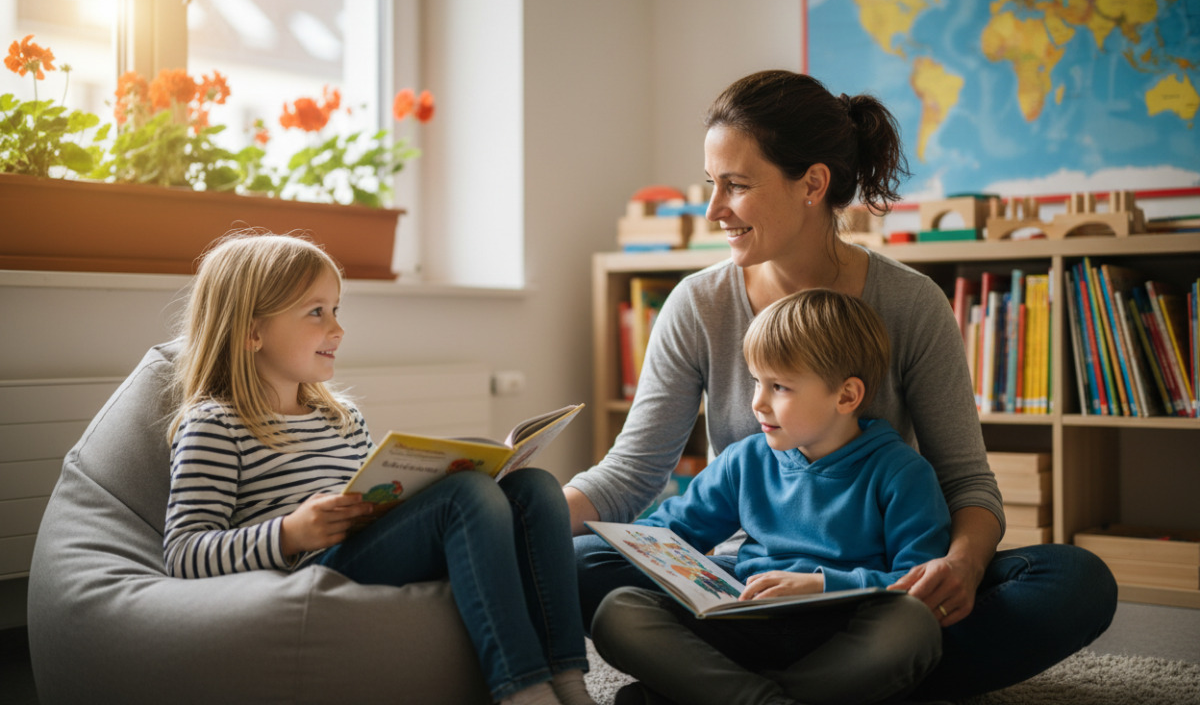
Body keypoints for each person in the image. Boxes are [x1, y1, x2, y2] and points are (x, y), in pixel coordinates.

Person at [566, 70, 1117, 701]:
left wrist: (958, 570)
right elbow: (634, 475)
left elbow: (965, 481)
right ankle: (845, 689)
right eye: (711, 185)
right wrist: (532, 512)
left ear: (813, 184)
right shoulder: (698, 305)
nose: (714, 210)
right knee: (583, 564)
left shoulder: (910, 304)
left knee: (1074, 579)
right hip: (752, 592)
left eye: (737, 186)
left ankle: (718, 689)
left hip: (876, 596)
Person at [164, 231, 595, 705]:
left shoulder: (341, 416)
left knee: (534, 486)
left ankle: (571, 683)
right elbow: (184, 552)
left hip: (369, 547)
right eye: (316, 312)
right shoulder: (215, 424)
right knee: (465, 497)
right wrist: (290, 533)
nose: (337, 329)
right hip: (314, 569)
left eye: (336, 310)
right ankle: (525, 691)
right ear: (252, 331)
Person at [592, 289, 951, 705]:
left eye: (779, 386)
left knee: (913, 625)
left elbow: (918, 583)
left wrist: (820, 585)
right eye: (756, 382)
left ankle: (719, 695)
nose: (758, 403)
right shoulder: (745, 460)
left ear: (847, 396)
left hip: (839, 632)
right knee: (619, 611)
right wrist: (645, 547)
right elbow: (670, 529)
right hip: (746, 622)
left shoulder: (902, 473)